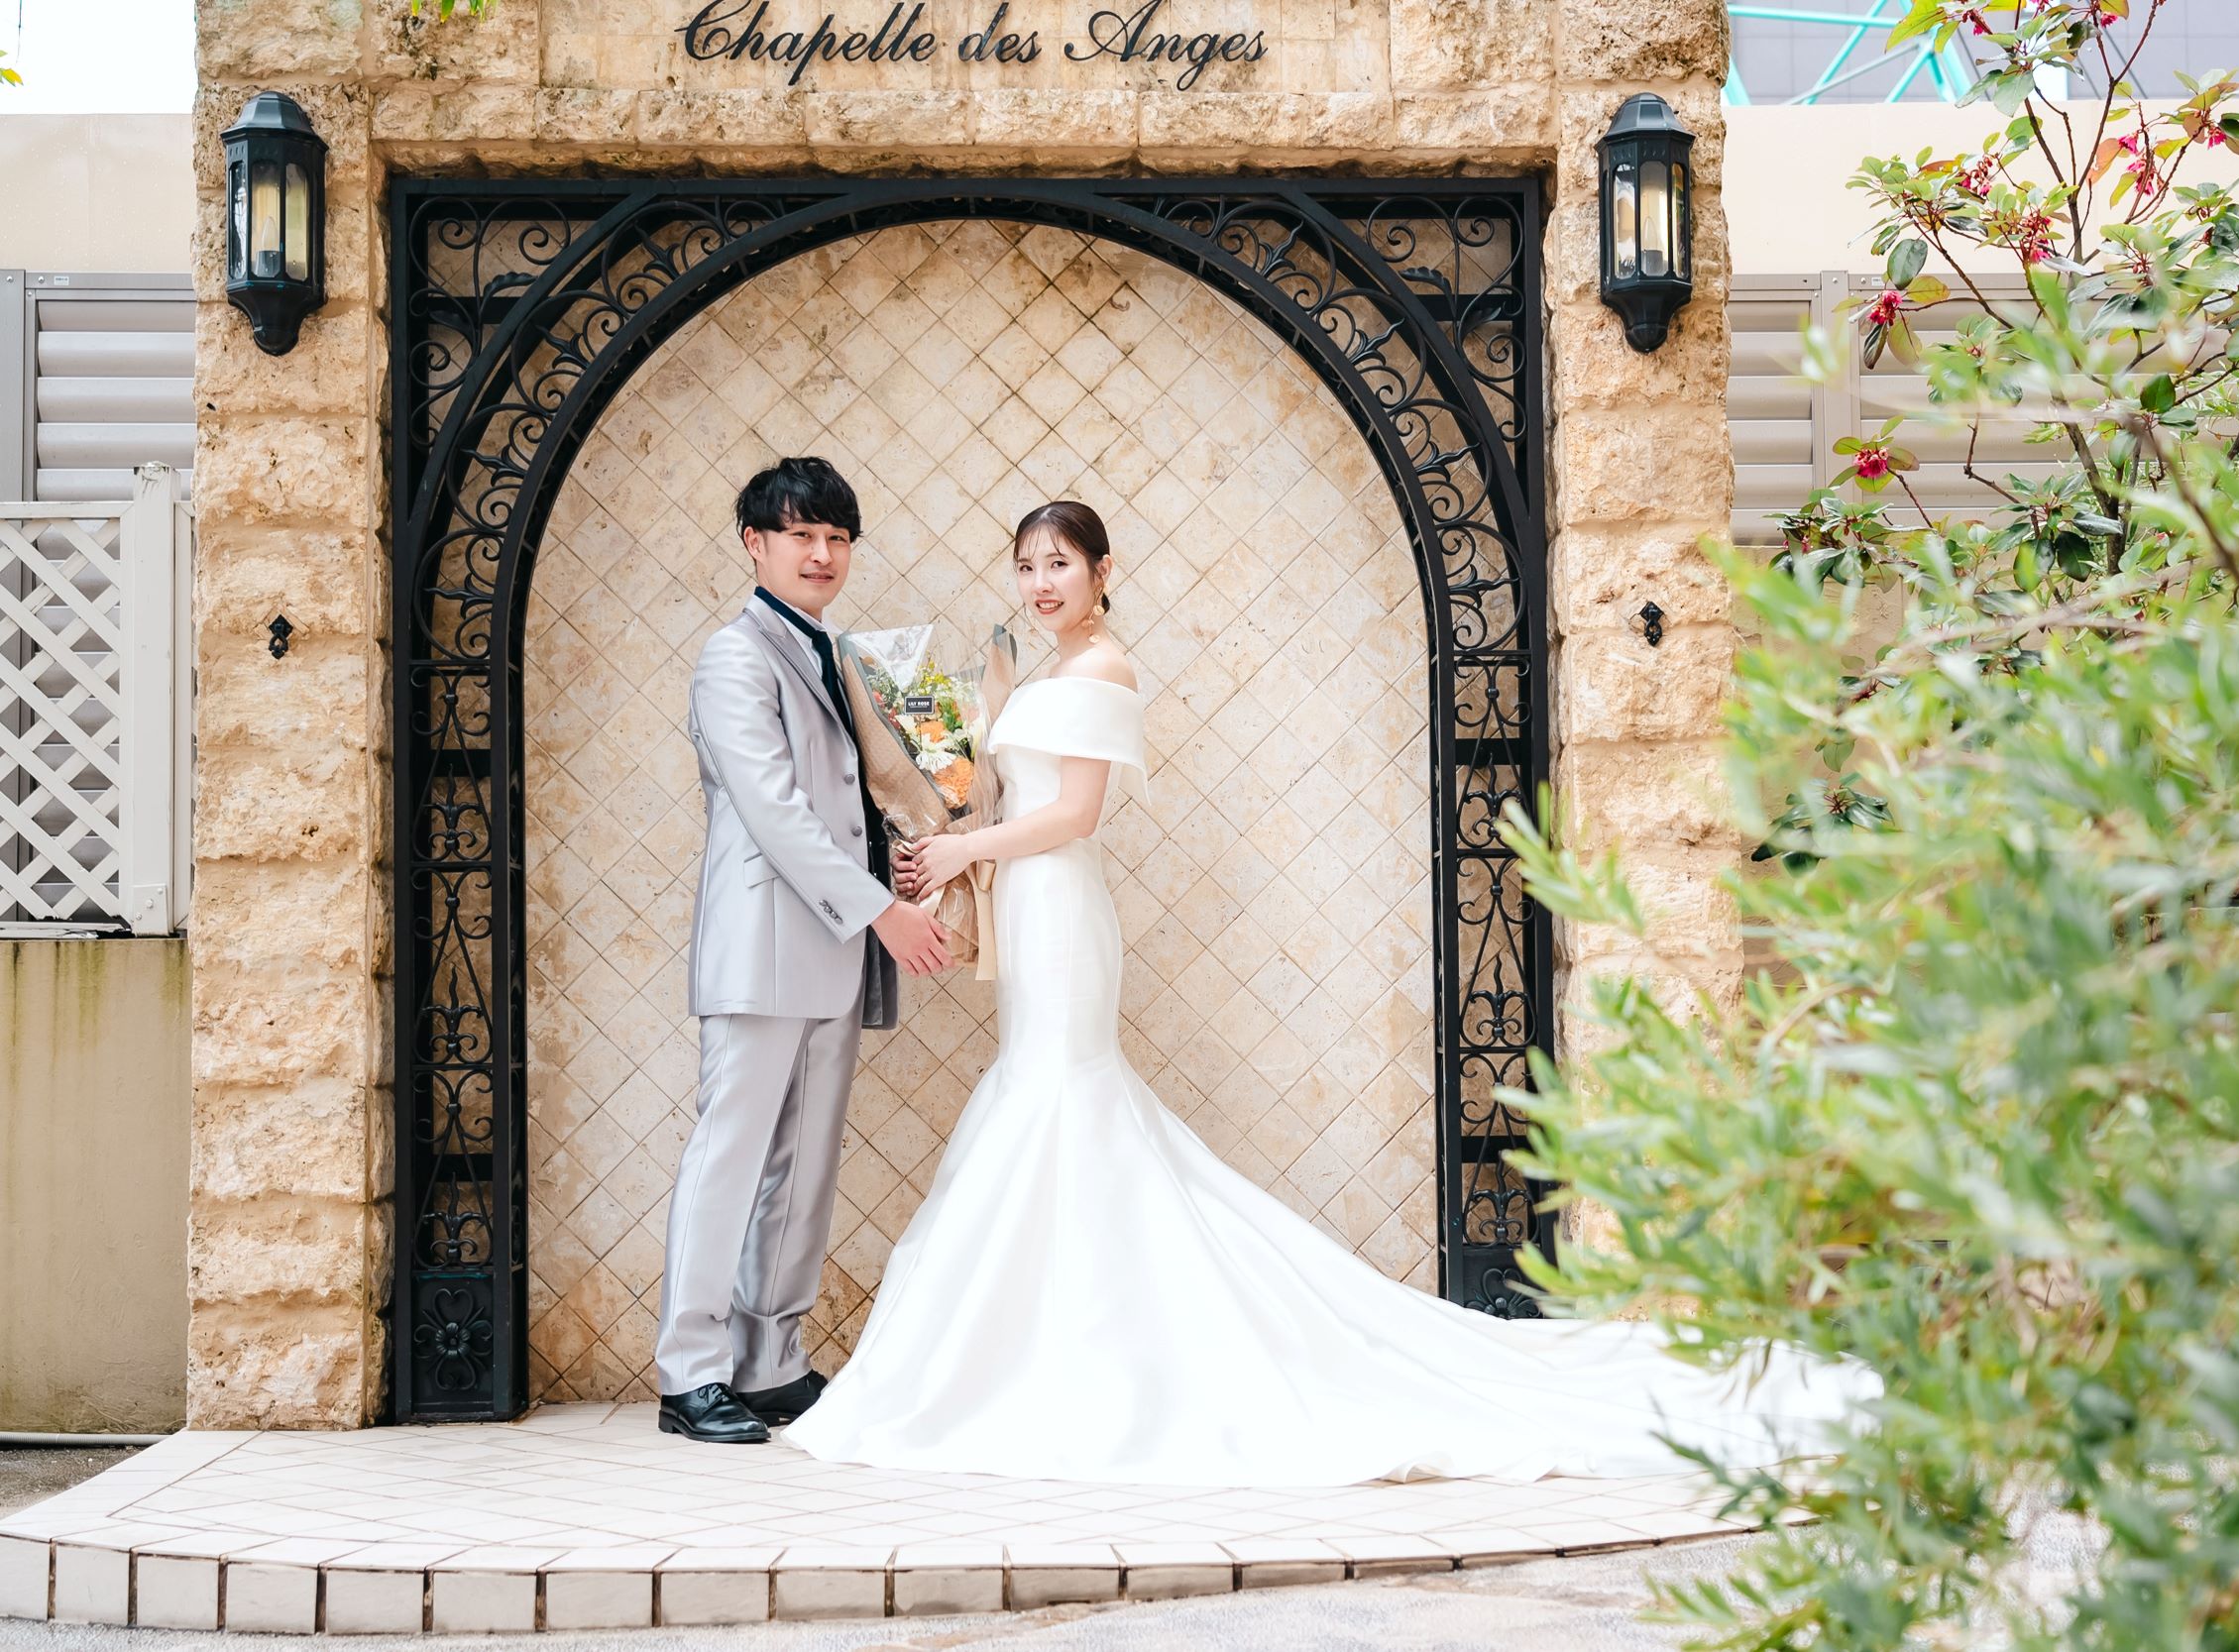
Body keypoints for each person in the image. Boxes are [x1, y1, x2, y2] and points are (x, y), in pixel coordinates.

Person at [780, 500, 1877, 1486]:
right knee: (1048, 1098)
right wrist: (956, 817)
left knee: (1062, 1098)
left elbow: (1075, 816)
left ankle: (1077, 1362)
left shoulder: (1104, 667)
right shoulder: (1034, 671)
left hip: (1063, 910)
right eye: (1026, 565)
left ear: (1103, 571)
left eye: (1059, 563)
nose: (1039, 582)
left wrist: (969, 851)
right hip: (1029, 908)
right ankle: (1046, 1350)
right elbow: (1011, 796)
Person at [654, 457, 951, 1445]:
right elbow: (774, 810)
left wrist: (912, 846)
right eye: (800, 534)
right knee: (730, 1158)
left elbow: (856, 797)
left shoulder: (837, 655)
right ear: (756, 543)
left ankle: (770, 1361)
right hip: (764, 949)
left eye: (836, 538)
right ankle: (690, 1372)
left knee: (805, 1166)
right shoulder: (734, 658)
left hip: (836, 949)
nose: (821, 553)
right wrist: (881, 910)